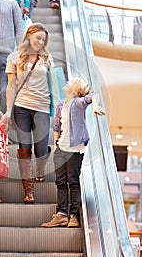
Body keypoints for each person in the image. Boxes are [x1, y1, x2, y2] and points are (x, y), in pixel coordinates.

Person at [41, 78, 105, 228]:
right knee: (60, 181)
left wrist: (95, 107)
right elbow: (56, 127)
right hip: (61, 148)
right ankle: (62, 214)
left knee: (73, 181)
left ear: (76, 91)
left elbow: (93, 96)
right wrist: (56, 145)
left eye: (72, 82)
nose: (68, 82)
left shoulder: (78, 103)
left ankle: (74, 216)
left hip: (75, 149)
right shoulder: (60, 105)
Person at [2, 23, 54, 203]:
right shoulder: (15, 58)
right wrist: (8, 110)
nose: (40, 42)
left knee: (41, 148)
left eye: (43, 40)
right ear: (29, 35)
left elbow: (54, 84)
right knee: (24, 148)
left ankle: (40, 168)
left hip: (42, 107)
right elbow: (11, 86)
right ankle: (28, 191)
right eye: (38, 38)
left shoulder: (47, 58)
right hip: (21, 106)